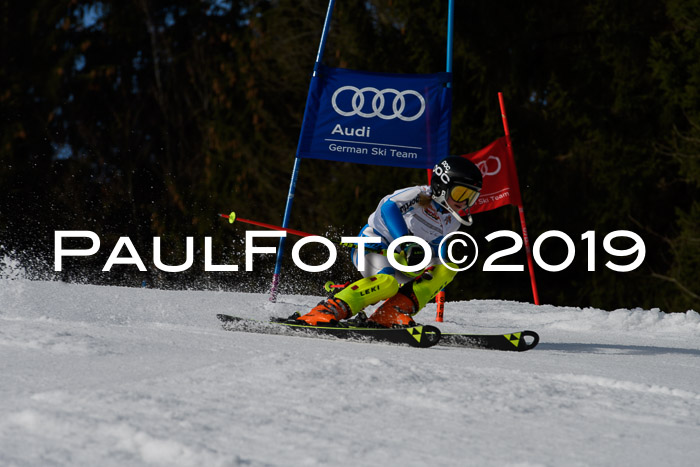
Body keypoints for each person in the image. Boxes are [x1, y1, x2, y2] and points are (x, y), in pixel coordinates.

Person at [296, 156, 483, 328]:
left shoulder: (451, 221)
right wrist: (406, 242)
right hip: (372, 247)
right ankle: (326, 310)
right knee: (387, 283)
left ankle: (391, 313)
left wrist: (431, 269)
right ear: (442, 186)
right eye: (460, 193)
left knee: (448, 267)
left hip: (403, 261)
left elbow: (435, 251)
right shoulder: (418, 195)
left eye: (471, 196)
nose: (465, 202)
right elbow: (388, 208)